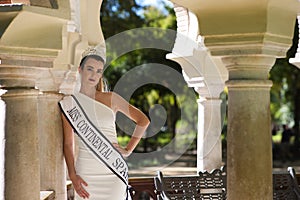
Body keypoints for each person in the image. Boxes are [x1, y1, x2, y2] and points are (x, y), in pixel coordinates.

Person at [59, 45, 150, 200]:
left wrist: (128, 150)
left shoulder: (111, 98)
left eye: (99, 71)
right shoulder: (69, 104)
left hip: (113, 170)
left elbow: (143, 120)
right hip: (87, 172)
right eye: (90, 69)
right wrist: (73, 176)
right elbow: (68, 144)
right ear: (80, 70)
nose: (94, 74)